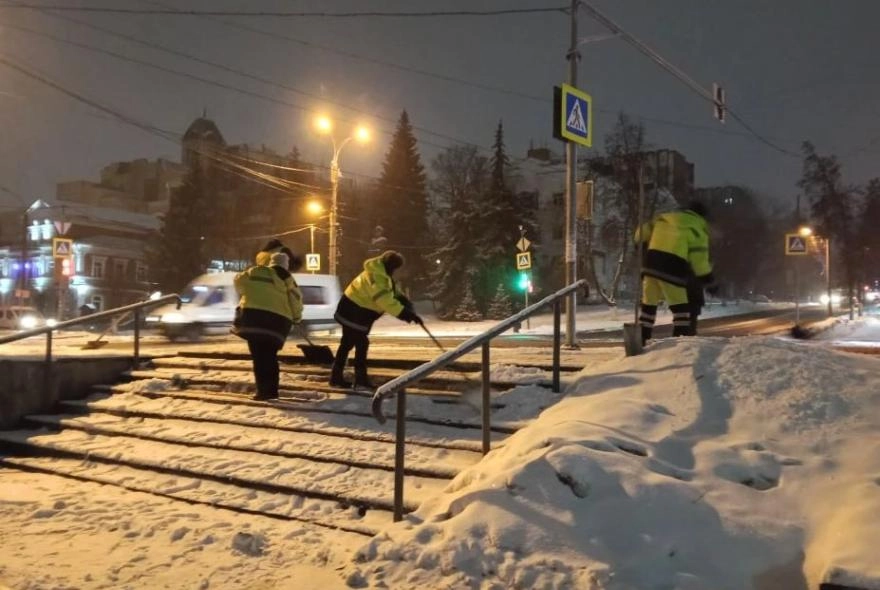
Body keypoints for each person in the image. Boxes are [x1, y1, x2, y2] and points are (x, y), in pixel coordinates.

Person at [330, 250, 422, 389]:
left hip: (353, 310)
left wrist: (405, 302)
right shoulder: (377, 277)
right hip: (353, 311)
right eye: (397, 269)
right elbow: (385, 300)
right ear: (392, 267)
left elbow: (392, 291)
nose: (398, 272)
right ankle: (359, 380)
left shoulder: (381, 273)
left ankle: (336, 378)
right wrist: (406, 314)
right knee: (361, 343)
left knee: (347, 343)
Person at [635, 201, 717, 345]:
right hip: (672, 267)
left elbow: (639, 234)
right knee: (681, 310)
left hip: (650, 264)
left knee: (648, 305)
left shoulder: (663, 219)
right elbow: (699, 261)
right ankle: (679, 345)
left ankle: (641, 340)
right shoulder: (697, 228)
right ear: (702, 216)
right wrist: (709, 281)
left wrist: (641, 246)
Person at [233, 250, 304, 400]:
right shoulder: (288, 279)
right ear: (286, 266)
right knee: (270, 356)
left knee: (259, 358)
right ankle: (272, 391)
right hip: (277, 324)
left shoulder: (254, 271)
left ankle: (262, 391)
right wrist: (297, 318)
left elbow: (238, 282)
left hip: (253, 320)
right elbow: (296, 301)